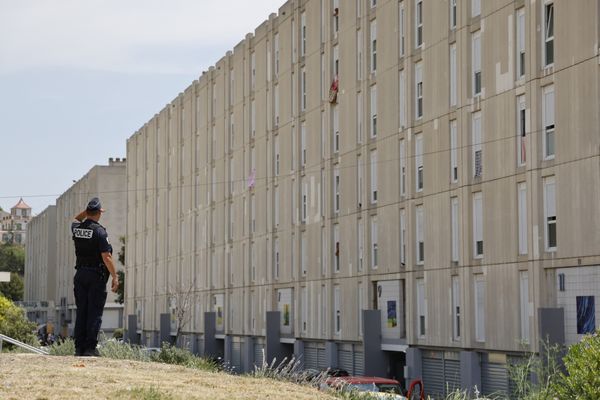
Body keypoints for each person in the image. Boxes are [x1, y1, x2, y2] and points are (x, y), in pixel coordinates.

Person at [72, 197, 118, 356]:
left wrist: (87, 211)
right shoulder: (100, 231)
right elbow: (106, 257)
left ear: (87, 212)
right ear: (99, 212)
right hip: (95, 276)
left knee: (82, 312)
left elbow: (76, 219)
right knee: (94, 313)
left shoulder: (77, 228)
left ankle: (79, 348)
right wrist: (115, 276)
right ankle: (90, 349)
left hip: (80, 275)